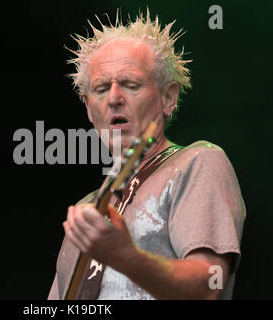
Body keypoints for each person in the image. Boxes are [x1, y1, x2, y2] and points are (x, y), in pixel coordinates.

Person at [48, 10, 246, 300]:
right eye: (102, 88)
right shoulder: (86, 208)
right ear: (89, 108)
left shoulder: (197, 162)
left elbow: (210, 287)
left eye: (131, 84)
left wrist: (127, 257)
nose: (114, 98)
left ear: (169, 98)